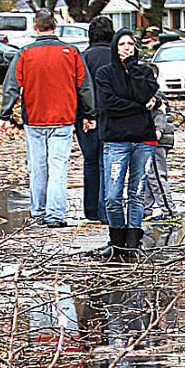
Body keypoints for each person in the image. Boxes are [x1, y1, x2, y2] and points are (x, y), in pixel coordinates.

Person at [0, 9, 93, 228]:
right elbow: (84, 86)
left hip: (34, 117)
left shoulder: (25, 53)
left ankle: (39, 211)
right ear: (55, 26)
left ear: (35, 27)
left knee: (38, 167)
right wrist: (89, 113)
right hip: (63, 117)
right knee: (58, 167)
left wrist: (5, 114)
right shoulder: (71, 52)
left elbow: (12, 85)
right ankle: (55, 213)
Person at [92, 30, 160, 260]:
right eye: (122, 44)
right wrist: (141, 106)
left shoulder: (143, 72)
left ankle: (133, 241)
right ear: (114, 47)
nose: (126, 48)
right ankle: (117, 240)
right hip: (116, 140)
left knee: (137, 192)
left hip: (143, 139)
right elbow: (109, 104)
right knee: (112, 196)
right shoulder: (105, 73)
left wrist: (133, 69)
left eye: (130, 44)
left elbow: (145, 92)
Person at [77, 13, 114, 223]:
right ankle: (105, 209)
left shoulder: (84, 57)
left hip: (86, 115)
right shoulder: (115, 56)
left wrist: (84, 114)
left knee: (90, 161)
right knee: (107, 162)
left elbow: (80, 88)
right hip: (111, 115)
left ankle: (90, 208)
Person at [141, 90, 176, 219]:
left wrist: (158, 130)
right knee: (150, 175)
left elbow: (161, 114)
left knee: (156, 176)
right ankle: (146, 210)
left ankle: (169, 211)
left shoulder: (155, 96)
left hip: (157, 142)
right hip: (154, 140)